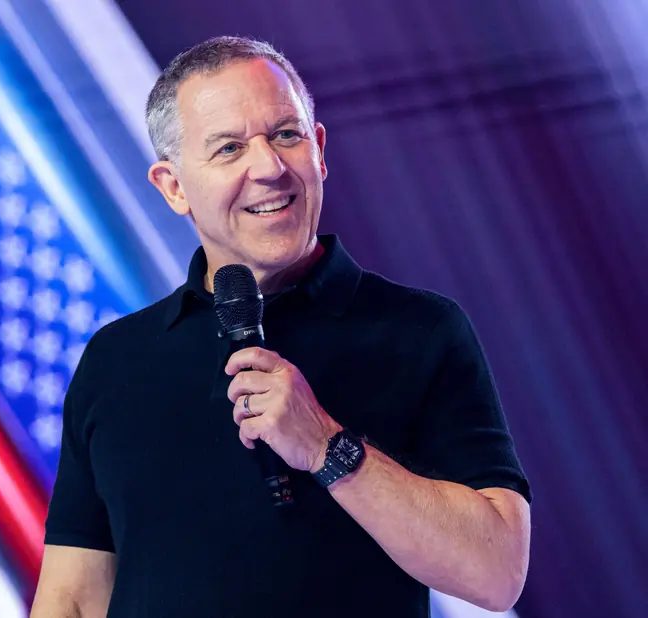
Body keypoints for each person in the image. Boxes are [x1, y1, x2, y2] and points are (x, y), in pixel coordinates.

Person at [30, 36, 531, 617]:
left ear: (318, 150)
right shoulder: (117, 359)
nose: (268, 167)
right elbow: (71, 596)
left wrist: (325, 446)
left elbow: (497, 573)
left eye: (286, 135)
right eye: (229, 149)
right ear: (172, 187)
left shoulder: (419, 329)